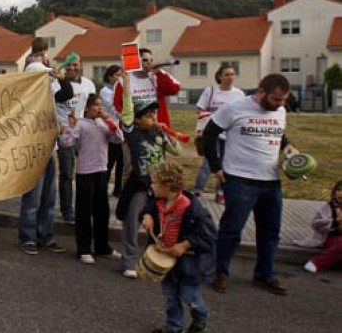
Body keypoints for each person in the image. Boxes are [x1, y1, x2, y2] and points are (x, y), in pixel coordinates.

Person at [203, 74, 298, 296]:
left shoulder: (280, 112)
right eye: (276, 99)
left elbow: (278, 134)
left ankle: (265, 274)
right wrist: (216, 166)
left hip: (271, 181)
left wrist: (289, 148)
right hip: (239, 179)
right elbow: (209, 133)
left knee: (270, 231)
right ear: (261, 92)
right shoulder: (235, 108)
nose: (281, 104)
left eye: (284, 100)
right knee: (231, 230)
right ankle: (220, 272)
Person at [115, 70, 182, 278]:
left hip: (160, 187)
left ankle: (156, 260)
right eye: (148, 115)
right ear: (137, 119)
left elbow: (177, 151)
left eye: (155, 114)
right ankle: (129, 261)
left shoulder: (158, 133)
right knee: (133, 220)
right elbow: (126, 110)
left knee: (161, 223)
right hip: (141, 184)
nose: (153, 118)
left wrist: (167, 134)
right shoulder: (132, 133)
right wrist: (126, 83)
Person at [141, 161, 216, 333]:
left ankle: (201, 315)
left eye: (154, 182)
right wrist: (146, 216)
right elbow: (148, 209)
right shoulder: (158, 201)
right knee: (170, 295)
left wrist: (185, 244)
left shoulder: (193, 209)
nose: (151, 185)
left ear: (167, 186)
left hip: (188, 264)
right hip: (167, 259)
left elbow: (209, 237)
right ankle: (174, 327)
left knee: (189, 295)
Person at [59, 94, 123, 263]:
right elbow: (66, 143)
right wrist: (71, 127)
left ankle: (102, 246)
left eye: (100, 105)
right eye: (95, 105)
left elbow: (118, 138)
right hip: (85, 173)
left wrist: (110, 121)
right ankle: (84, 249)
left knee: (102, 211)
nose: (99, 108)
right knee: (84, 212)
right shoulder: (80, 123)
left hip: (102, 171)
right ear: (86, 107)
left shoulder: (103, 123)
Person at [17, 50, 70, 255]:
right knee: (33, 198)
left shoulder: (51, 93)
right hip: (32, 152)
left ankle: (45, 235)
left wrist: (61, 79)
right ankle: (27, 237)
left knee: (49, 197)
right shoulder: (25, 99)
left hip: (50, 149)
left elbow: (66, 94)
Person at [53, 54, 97, 223]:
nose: (71, 68)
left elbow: (91, 108)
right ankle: (67, 211)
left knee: (87, 171)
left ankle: (86, 207)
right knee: (67, 173)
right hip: (64, 132)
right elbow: (49, 106)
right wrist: (60, 125)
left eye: (75, 65)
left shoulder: (88, 85)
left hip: (84, 132)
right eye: (69, 65)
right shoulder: (56, 84)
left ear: (81, 65)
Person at [193, 64, 245, 204]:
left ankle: (220, 192)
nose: (230, 77)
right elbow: (199, 109)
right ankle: (198, 190)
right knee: (208, 163)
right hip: (212, 133)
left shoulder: (239, 94)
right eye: (227, 74)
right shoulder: (210, 91)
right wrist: (213, 117)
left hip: (230, 135)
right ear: (219, 76)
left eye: (232, 74)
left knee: (224, 164)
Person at [113, 48, 181, 128]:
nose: (149, 63)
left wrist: (159, 73)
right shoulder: (124, 80)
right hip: (135, 128)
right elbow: (117, 105)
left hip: (158, 126)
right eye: (145, 60)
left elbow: (173, 90)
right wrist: (132, 120)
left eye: (151, 60)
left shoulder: (157, 76)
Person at [300, 181, 342, 273]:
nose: (340, 193)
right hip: (331, 237)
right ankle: (316, 262)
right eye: (338, 190)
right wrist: (334, 221)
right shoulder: (327, 207)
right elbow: (315, 224)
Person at [99, 65, 124, 197]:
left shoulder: (118, 90)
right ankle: (103, 187)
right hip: (110, 129)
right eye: (117, 75)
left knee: (121, 160)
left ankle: (118, 188)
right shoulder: (105, 91)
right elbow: (114, 108)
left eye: (121, 75)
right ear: (110, 76)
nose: (119, 78)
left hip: (119, 129)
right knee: (110, 161)